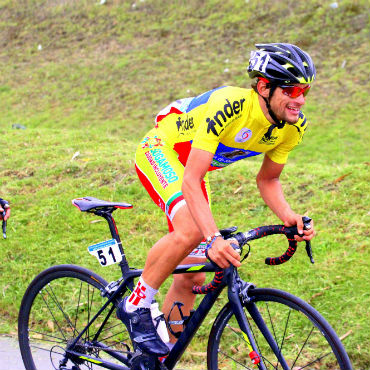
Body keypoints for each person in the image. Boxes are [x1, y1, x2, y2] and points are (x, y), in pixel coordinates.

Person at [117, 43, 316, 356]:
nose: (300, 99)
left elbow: (268, 179)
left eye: (304, 90)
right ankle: (136, 303)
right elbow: (191, 180)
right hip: (163, 150)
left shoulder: (292, 126)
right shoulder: (232, 104)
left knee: (193, 272)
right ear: (264, 87)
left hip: (193, 168)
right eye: (291, 90)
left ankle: (156, 358)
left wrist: (289, 216)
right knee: (192, 231)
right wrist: (212, 238)